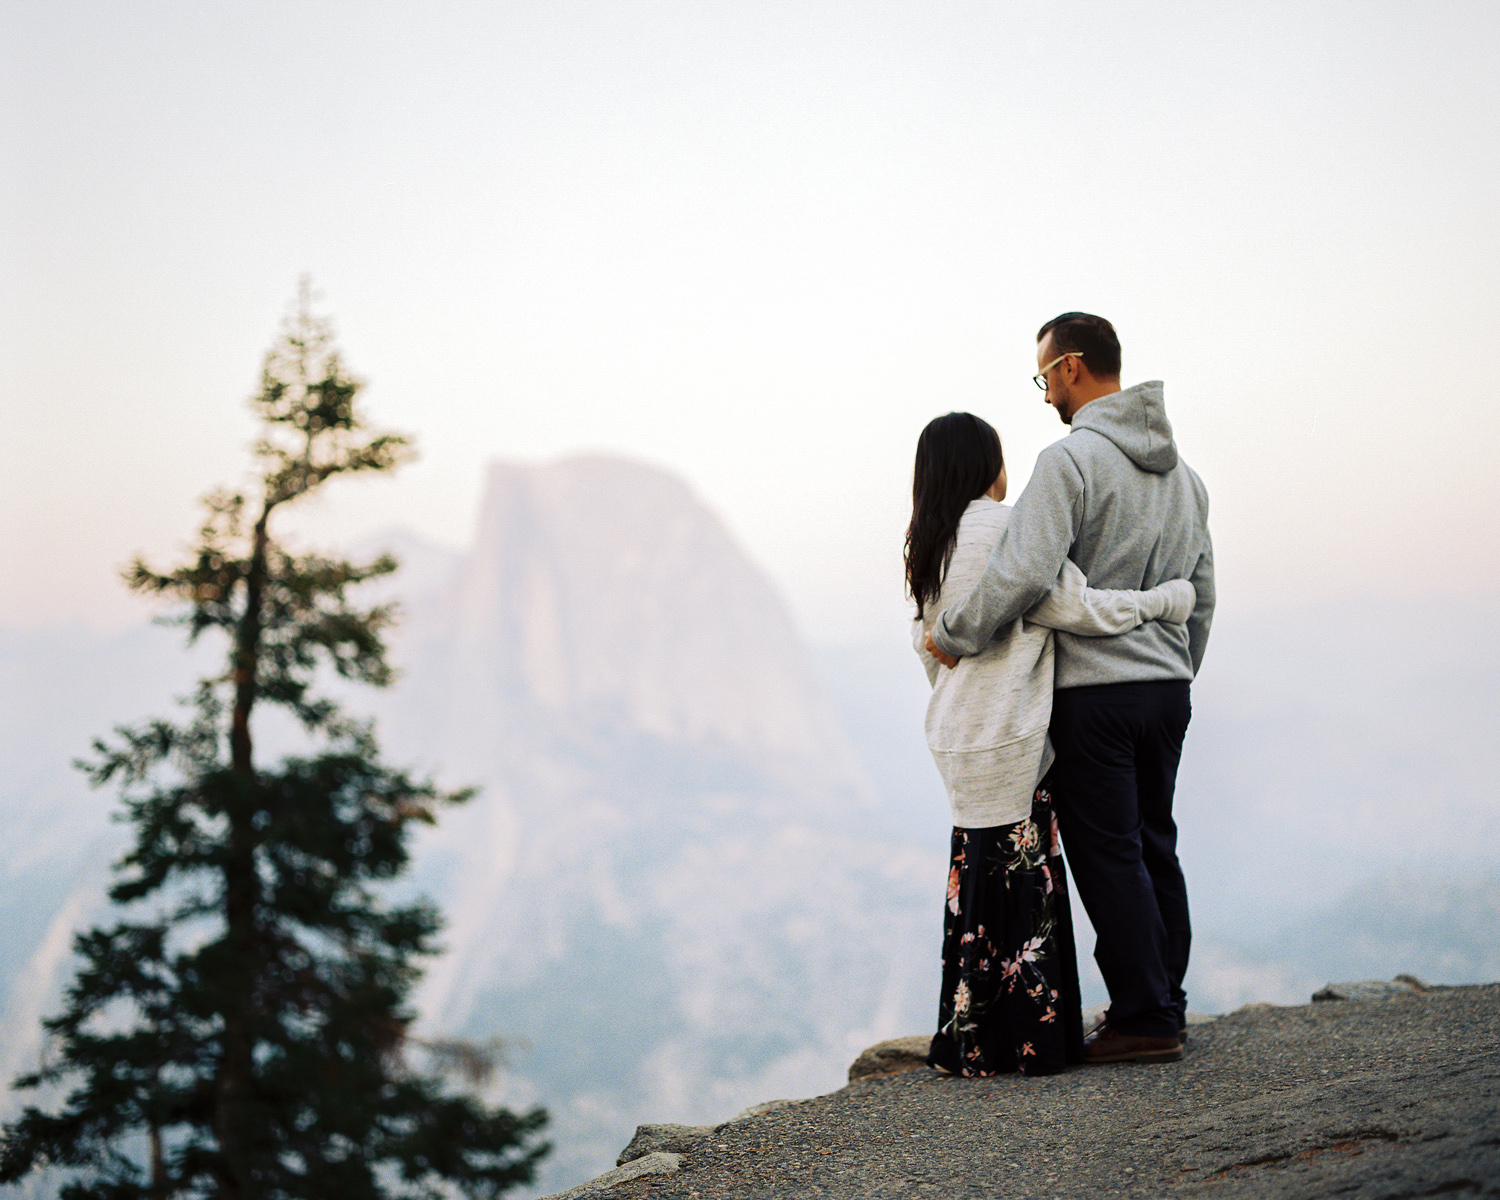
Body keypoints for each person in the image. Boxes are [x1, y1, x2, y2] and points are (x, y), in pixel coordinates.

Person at [927, 313, 1215, 1065]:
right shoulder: (1188, 480)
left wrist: (954, 634)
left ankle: (1145, 1017)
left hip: (1097, 693)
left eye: (1045, 374)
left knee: (1109, 853)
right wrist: (1177, 668)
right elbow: (1203, 592)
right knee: (1158, 844)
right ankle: (1165, 1001)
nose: (1045, 390)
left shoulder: (1069, 462)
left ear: (1074, 368)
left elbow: (1023, 576)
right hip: (1167, 686)